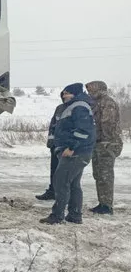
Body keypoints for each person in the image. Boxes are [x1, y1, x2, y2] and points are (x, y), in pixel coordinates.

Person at [40, 83, 95, 225]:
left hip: (75, 153)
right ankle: (75, 215)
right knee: (73, 184)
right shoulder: (73, 106)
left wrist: (71, 147)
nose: (64, 95)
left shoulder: (79, 106)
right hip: (77, 152)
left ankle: (57, 216)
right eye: (63, 93)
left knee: (61, 182)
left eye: (67, 93)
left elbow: (83, 131)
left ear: (75, 93)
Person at [86, 80, 124, 215]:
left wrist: (106, 142)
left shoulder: (107, 103)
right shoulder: (96, 103)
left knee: (105, 175)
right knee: (98, 174)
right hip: (98, 143)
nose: (90, 93)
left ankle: (107, 206)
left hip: (107, 143)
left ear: (99, 89)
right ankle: (102, 202)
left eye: (92, 90)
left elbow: (108, 124)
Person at [36, 91, 66, 201]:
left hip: (66, 146)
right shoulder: (59, 108)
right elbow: (53, 125)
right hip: (55, 145)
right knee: (54, 169)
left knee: (65, 172)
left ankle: (64, 194)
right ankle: (52, 191)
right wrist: (50, 142)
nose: (64, 97)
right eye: (63, 96)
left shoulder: (75, 108)